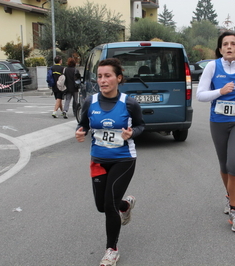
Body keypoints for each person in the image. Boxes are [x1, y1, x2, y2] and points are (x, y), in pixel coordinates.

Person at [75, 58, 145, 266]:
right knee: (101, 206)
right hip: (98, 160)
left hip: (123, 159)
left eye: (108, 76)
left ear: (118, 78)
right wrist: (80, 132)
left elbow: (141, 126)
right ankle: (126, 205)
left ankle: (111, 250)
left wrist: (131, 133)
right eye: (99, 76)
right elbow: (83, 124)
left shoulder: (129, 103)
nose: (103, 80)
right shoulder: (91, 102)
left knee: (109, 204)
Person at [196, 31, 235, 232]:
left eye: (233, 44)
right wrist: (220, 92)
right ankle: (229, 195)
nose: (229, 47)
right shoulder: (212, 67)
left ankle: (234, 211)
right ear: (220, 48)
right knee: (224, 165)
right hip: (218, 122)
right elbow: (200, 95)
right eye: (225, 44)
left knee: (234, 164)